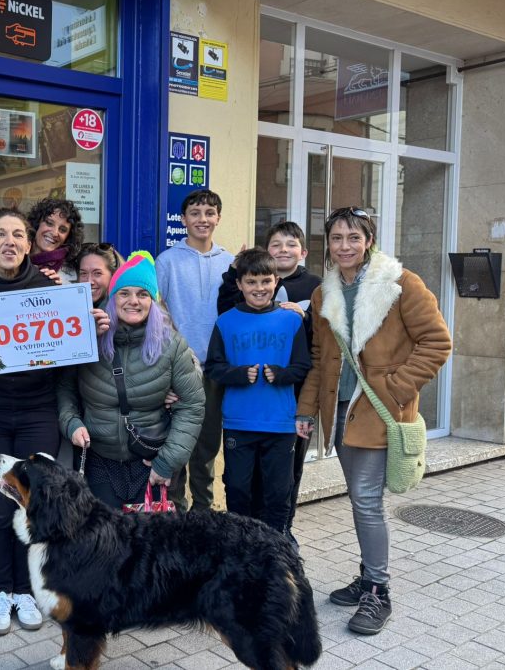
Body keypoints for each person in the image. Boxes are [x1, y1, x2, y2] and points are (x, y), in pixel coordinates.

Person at [0, 208, 107, 636]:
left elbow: (69, 354)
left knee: (33, 504)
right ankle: (2, 590)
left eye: (18, 234)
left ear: (28, 242)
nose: (10, 241)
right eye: (0, 234)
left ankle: (26, 591)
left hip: (38, 411)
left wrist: (89, 327)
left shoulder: (50, 286)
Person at [296, 207, 451, 635]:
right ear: (327, 243)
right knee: (359, 498)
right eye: (336, 238)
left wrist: (397, 387)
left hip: (378, 410)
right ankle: (368, 576)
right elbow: (318, 359)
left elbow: (437, 342)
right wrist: (306, 410)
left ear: (369, 241)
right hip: (340, 409)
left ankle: (378, 592)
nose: (344, 246)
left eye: (353, 237)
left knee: (366, 501)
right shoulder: (323, 293)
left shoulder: (401, 284)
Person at [58, 251, 205, 509]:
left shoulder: (171, 345)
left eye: (143, 294)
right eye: (124, 293)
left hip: (151, 460)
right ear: (113, 298)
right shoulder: (88, 335)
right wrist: (71, 423)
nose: (133, 301)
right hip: (100, 461)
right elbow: (65, 388)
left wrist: (168, 461)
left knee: (153, 545)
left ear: (153, 300)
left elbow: (191, 407)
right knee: (105, 543)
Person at [216, 222, 321, 540]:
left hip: (287, 412)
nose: (259, 287)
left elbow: (308, 359)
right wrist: (237, 374)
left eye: (291, 244)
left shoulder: (309, 295)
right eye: (277, 244)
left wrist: (285, 375)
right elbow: (217, 361)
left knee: (284, 479)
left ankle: (280, 536)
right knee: (241, 484)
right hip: (242, 418)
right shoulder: (228, 318)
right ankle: (245, 541)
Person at [155, 189, 234, 513]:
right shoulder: (167, 260)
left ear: (217, 218)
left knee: (206, 447)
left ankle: (204, 514)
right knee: (175, 447)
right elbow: (157, 311)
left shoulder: (230, 262)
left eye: (209, 212)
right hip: (178, 368)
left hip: (214, 368)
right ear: (184, 219)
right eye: (196, 213)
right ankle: (175, 516)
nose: (203, 219)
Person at [26, 197, 85, 283]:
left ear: (68, 237)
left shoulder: (72, 272)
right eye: (49, 223)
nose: (54, 233)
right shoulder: (15, 258)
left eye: (62, 230)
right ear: (37, 223)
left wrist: (57, 290)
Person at [74, 242, 124, 307]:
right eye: (83, 273)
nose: (89, 281)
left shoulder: (125, 311)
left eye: (97, 273)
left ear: (114, 275)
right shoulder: (73, 309)